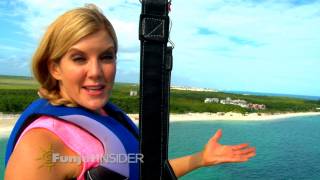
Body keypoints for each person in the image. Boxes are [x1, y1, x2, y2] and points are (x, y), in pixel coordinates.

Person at [4, 4, 256, 180]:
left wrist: (201, 158)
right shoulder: (40, 147)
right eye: (79, 58)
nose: (96, 72)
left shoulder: (105, 116)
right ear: (55, 68)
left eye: (106, 56)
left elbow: (139, 171)